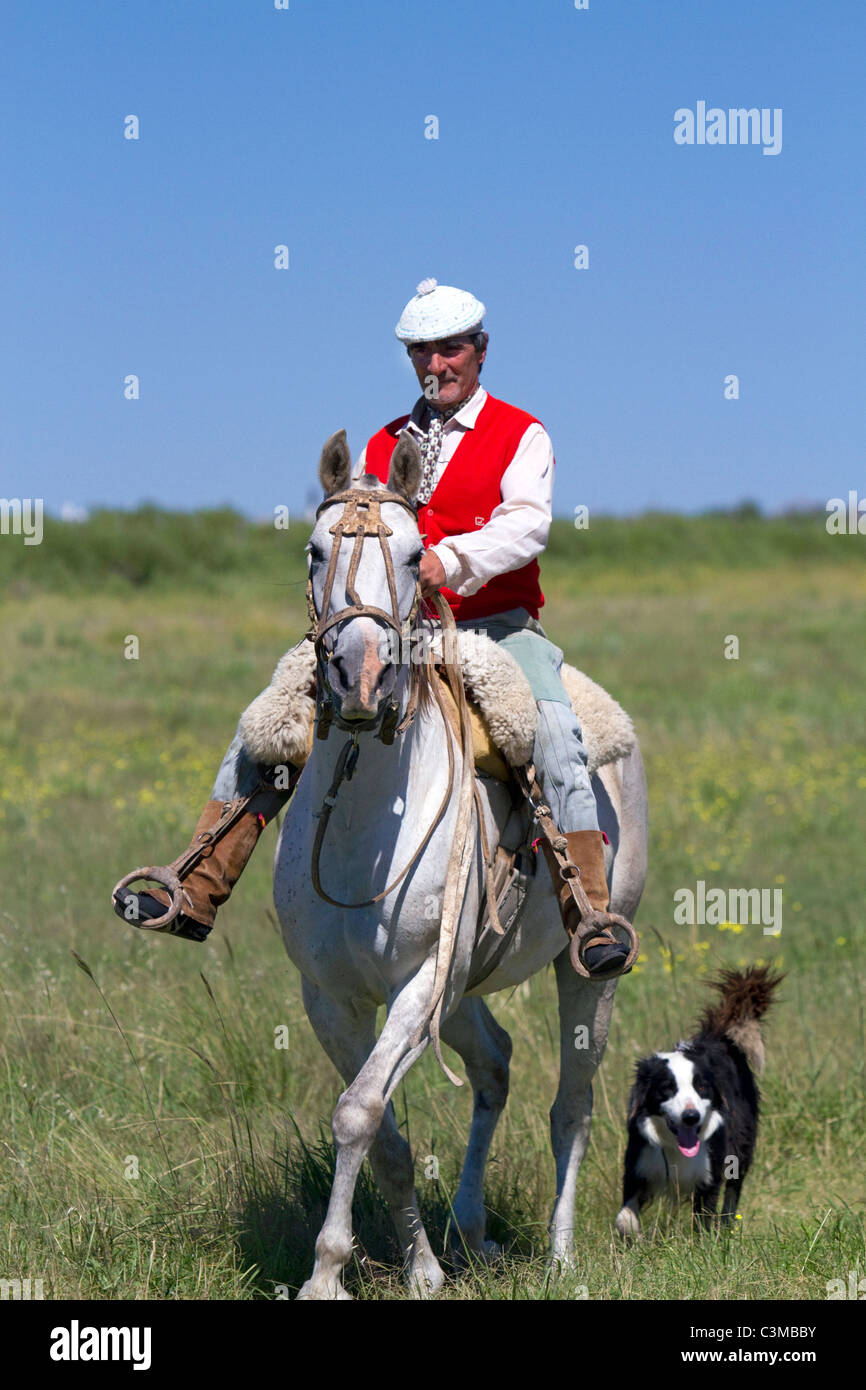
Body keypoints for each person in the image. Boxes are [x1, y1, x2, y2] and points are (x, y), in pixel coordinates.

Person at [113, 279, 634, 978]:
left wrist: (448, 560)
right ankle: (196, 886)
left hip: (498, 627)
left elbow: (529, 524)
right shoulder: (384, 442)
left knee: (554, 732)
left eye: (450, 350)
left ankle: (589, 912)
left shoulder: (522, 433)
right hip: (400, 632)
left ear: (480, 351)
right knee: (268, 715)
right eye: (422, 352)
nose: (436, 365)